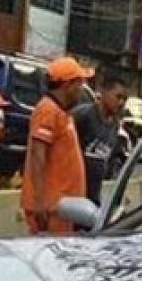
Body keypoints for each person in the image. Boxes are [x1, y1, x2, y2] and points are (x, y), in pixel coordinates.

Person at [22, 56, 93, 234]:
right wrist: (40, 202)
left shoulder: (60, 112)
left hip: (62, 207)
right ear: (67, 85)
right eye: (79, 84)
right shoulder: (48, 110)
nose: (81, 89)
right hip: (50, 207)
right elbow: (38, 156)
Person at [72, 74, 129, 205]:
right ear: (103, 92)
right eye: (118, 97)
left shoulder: (115, 124)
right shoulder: (83, 115)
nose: (121, 103)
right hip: (73, 194)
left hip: (93, 196)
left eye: (124, 99)